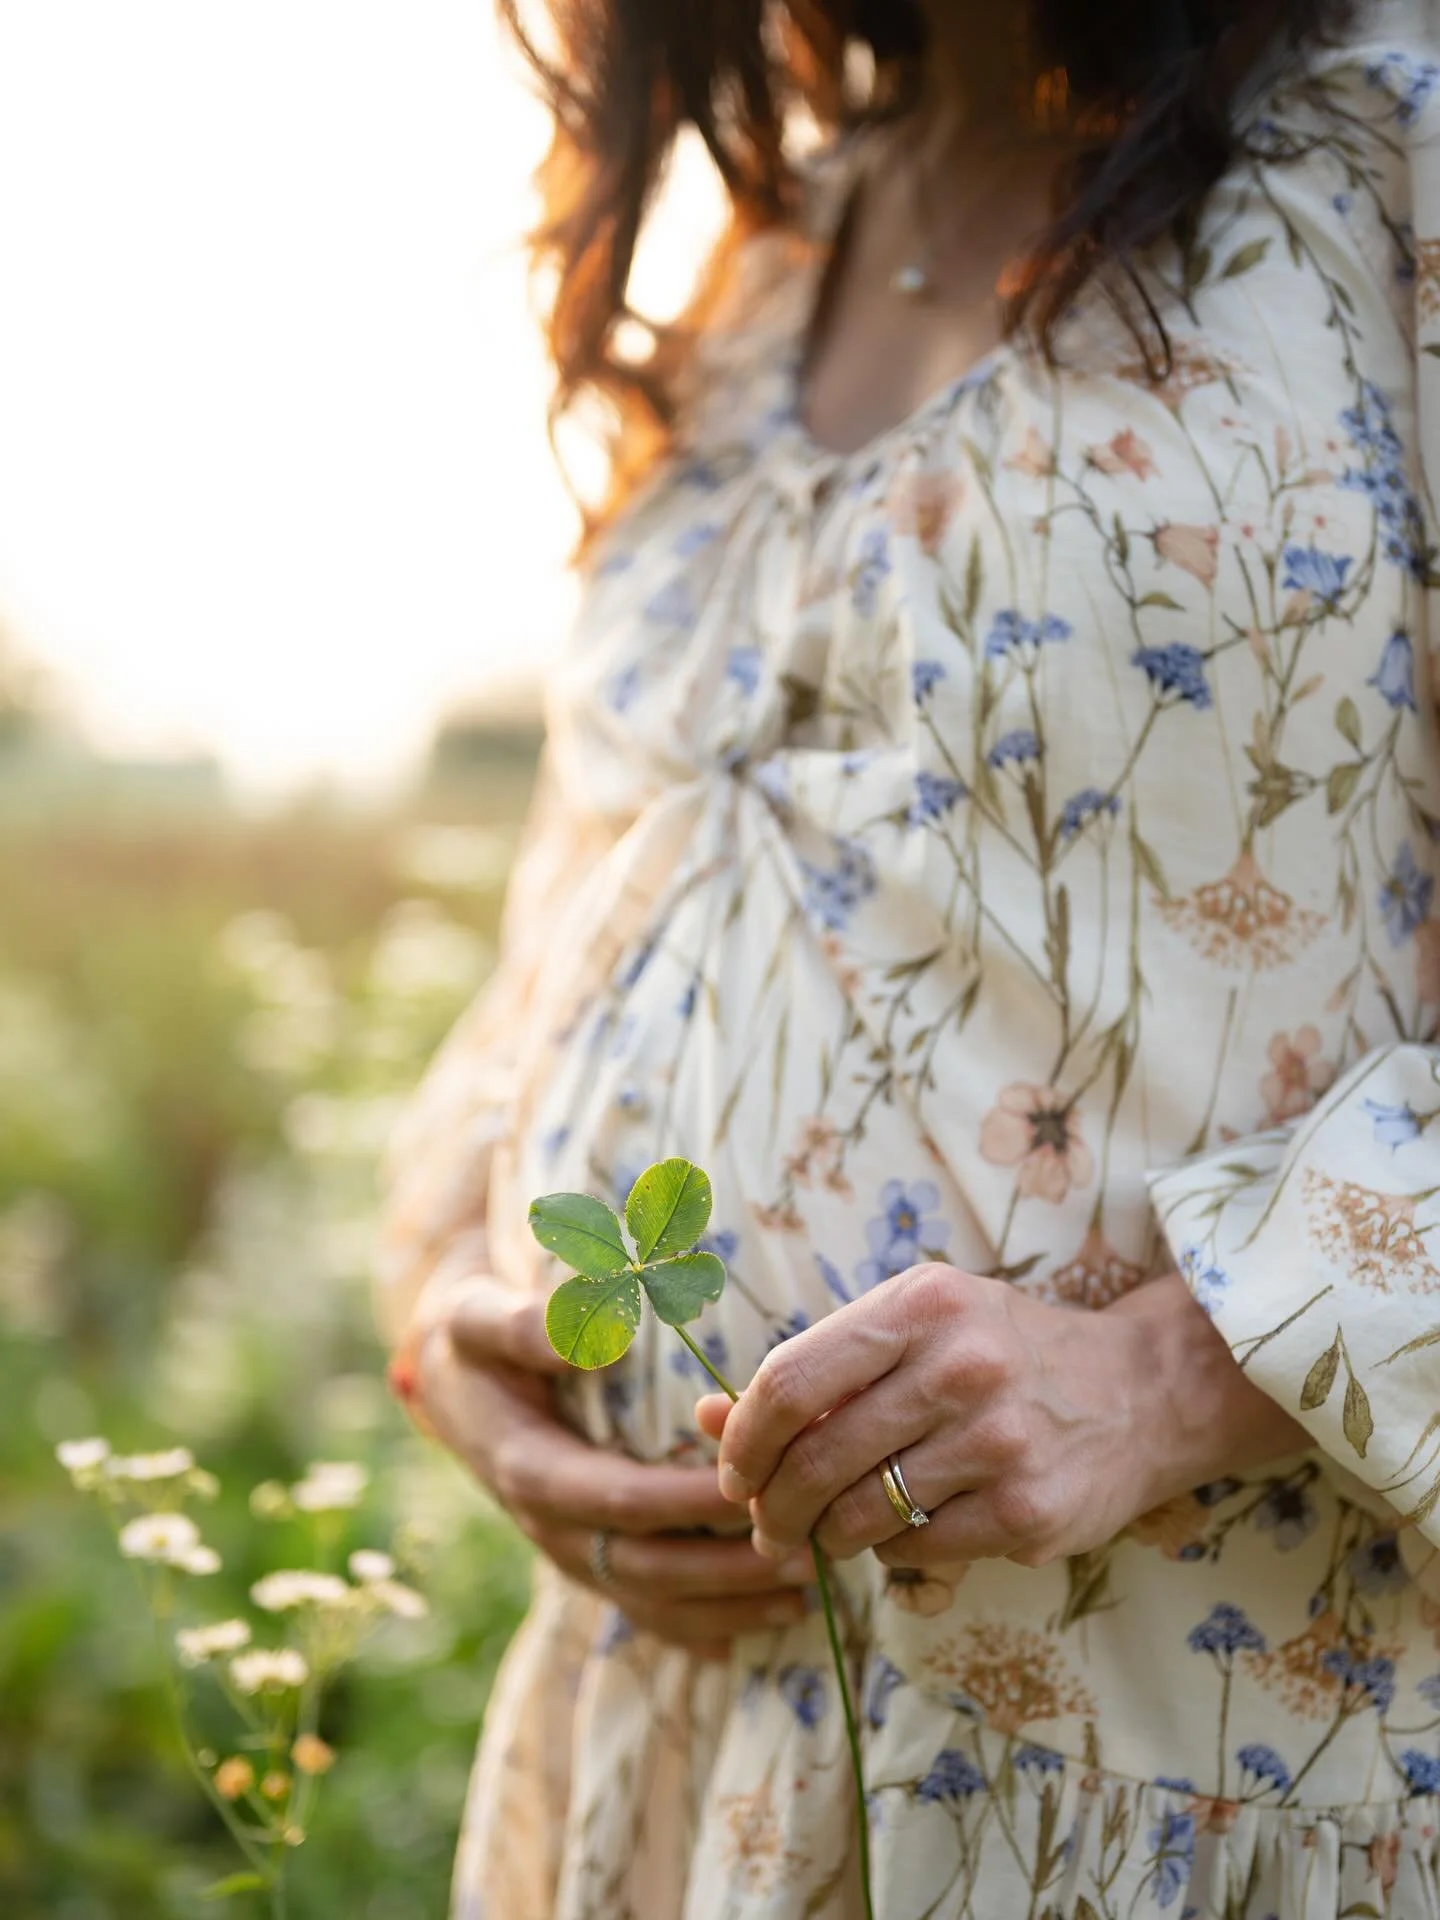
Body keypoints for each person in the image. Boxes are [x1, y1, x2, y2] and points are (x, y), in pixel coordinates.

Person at [376, 0, 1440, 1911]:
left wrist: (1173, 1373)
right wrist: (459, 1309)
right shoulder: (764, 243)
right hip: (676, 1770)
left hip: (1190, 1778)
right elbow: (606, 891)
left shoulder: (1396, 140)